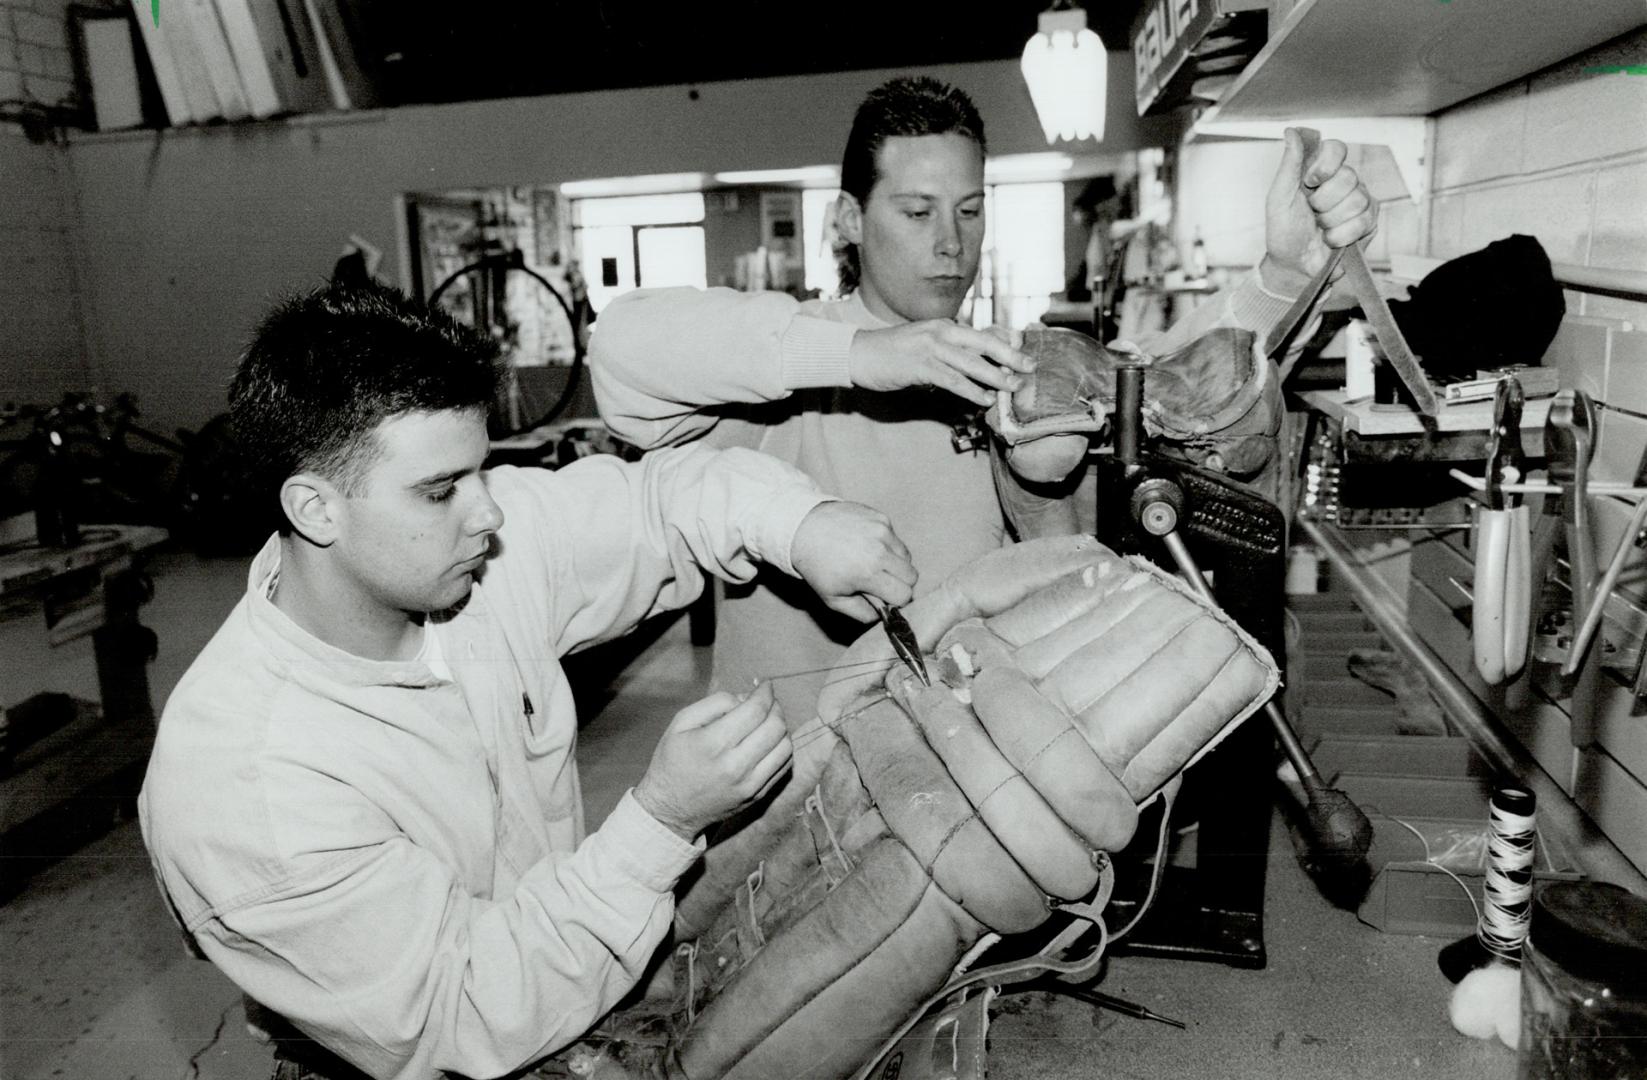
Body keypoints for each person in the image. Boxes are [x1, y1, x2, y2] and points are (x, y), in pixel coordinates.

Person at [137, 281, 918, 1080]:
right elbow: (466, 1013)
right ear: (316, 509)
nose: (488, 515)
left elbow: (662, 499)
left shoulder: (459, 556)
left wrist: (800, 525)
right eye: (441, 490)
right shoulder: (244, 784)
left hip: (566, 974)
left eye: (482, 470)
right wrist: (662, 819)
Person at [591, 74, 1377, 726]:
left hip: (970, 787)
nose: (949, 243)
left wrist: (1280, 275)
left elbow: (1173, 385)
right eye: (916, 211)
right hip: (785, 790)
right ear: (848, 220)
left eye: (969, 211)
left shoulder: (1013, 369)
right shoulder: (778, 365)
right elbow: (622, 348)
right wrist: (864, 354)